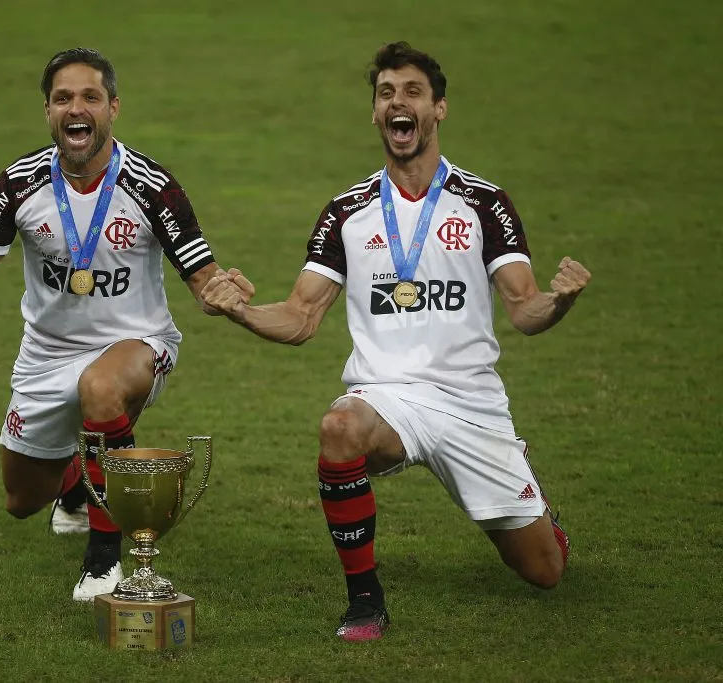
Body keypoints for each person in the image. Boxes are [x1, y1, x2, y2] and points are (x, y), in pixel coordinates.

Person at [200, 41, 590, 642]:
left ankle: (537, 509)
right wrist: (241, 311)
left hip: (469, 401)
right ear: (375, 113)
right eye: (386, 94)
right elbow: (301, 316)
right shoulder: (347, 212)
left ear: (439, 109)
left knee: (545, 571)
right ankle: (365, 602)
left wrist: (559, 301)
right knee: (338, 429)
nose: (397, 103)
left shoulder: (484, 203)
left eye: (412, 92)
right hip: (386, 398)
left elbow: (523, 309)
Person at [0, 47, 248, 602]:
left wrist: (224, 294)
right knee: (21, 501)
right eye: (63, 98)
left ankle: (104, 562)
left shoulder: (152, 186)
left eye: (90, 97)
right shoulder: (19, 184)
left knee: (100, 387)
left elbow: (204, 279)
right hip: (46, 357)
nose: (77, 108)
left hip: (136, 343)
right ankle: (75, 483)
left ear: (113, 107)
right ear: (48, 111)